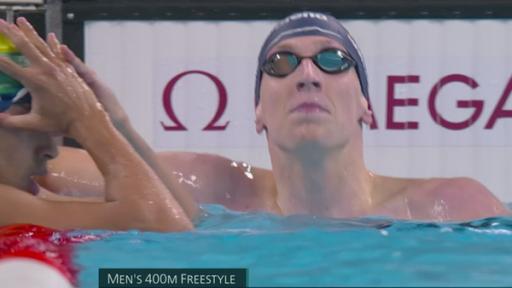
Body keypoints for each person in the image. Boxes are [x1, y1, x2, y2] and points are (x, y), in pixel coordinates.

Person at [40, 12, 510, 222]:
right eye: (280, 64)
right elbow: (42, 171)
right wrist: (105, 120)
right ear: (258, 111)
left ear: (368, 106)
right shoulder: (218, 187)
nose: (307, 75)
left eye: (333, 60)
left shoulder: (448, 205)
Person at [0, 17, 193, 231]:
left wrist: (116, 124)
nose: (52, 151)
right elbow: (163, 228)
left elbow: (183, 217)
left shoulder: (20, 199)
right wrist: (86, 119)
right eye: (29, 113)